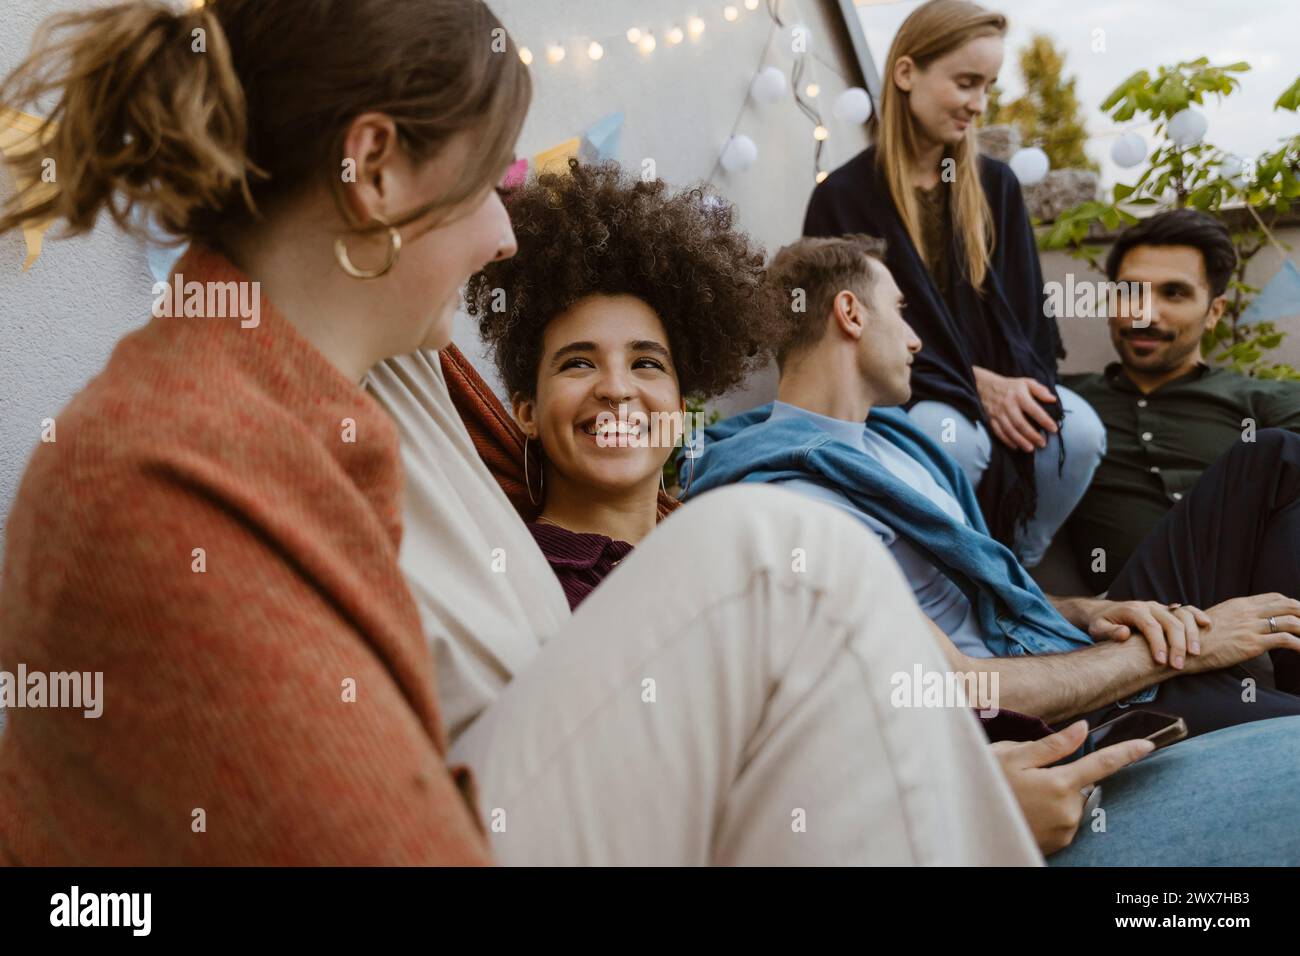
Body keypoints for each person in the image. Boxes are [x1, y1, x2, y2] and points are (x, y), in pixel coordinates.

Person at [0, 0, 1038, 867]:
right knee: (783, 555)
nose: (506, 230)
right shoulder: (172, 464)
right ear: (373, 168)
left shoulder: (390, 374)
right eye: (496, 175)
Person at [687, 234, 1300, 743]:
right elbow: (951, 689)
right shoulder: (799, 504)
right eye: (900, 310)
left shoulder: (899, 445)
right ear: (850, 314)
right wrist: (1187, 648)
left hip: (1063, 644)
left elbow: (994, 599)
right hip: (1049, 711)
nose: (915, 340)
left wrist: (1092, 609)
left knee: (1275, 455)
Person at [802, 0, 1105, 566]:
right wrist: (972, 385)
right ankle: (950, 581)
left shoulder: (998, 187)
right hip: (901, 394)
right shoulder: (842, 198)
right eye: (966, 82)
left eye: (987, 86)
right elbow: (845, 338)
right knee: (951, 436)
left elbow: (1027, 319)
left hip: (992, 381)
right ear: (906, 72)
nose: (979, 104)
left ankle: (1015, 570)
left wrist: (1012, 388)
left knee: (1077, 431)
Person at [463, 160, 774, 610]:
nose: (615, 388)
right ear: (527, 411)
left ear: (681, 410)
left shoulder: (734, 565)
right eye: (577, 363)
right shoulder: (507, 584)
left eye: (646, 362)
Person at [1063, 211, 1300, 681]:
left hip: (1253, 629)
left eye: (1173, 293)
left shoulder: (1264, 400)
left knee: (1278, 453)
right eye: (1129, 292)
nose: (1144, 313)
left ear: (1214, 311)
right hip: (1130, 624)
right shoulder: (1062, 405)